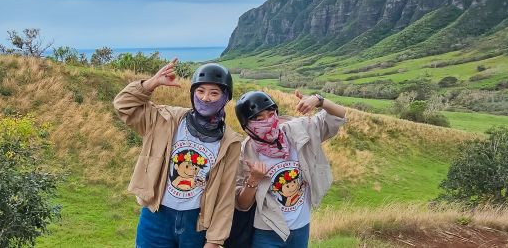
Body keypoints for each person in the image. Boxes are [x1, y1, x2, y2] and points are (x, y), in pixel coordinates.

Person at [115, 59, 243, 248]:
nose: (206, 98)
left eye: (214, 93)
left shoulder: (230, 142)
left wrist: (215, 241)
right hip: (156, 216)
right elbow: (123, 105)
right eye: (200, 91)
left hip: (197, 222)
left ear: (225, 97)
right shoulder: (166, 119)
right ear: (192, 92)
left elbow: (225, 195)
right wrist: (152, 83)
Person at [233, 90, 347, 248]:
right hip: (267, 230)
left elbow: (339, 115)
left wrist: (319, 100)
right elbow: (242, 204)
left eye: (271, 114)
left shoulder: (298, 130)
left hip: (301, 227)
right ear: (247, 127)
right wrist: (253, 180)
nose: (268, 121)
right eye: (259, 119)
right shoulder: (245, 152)